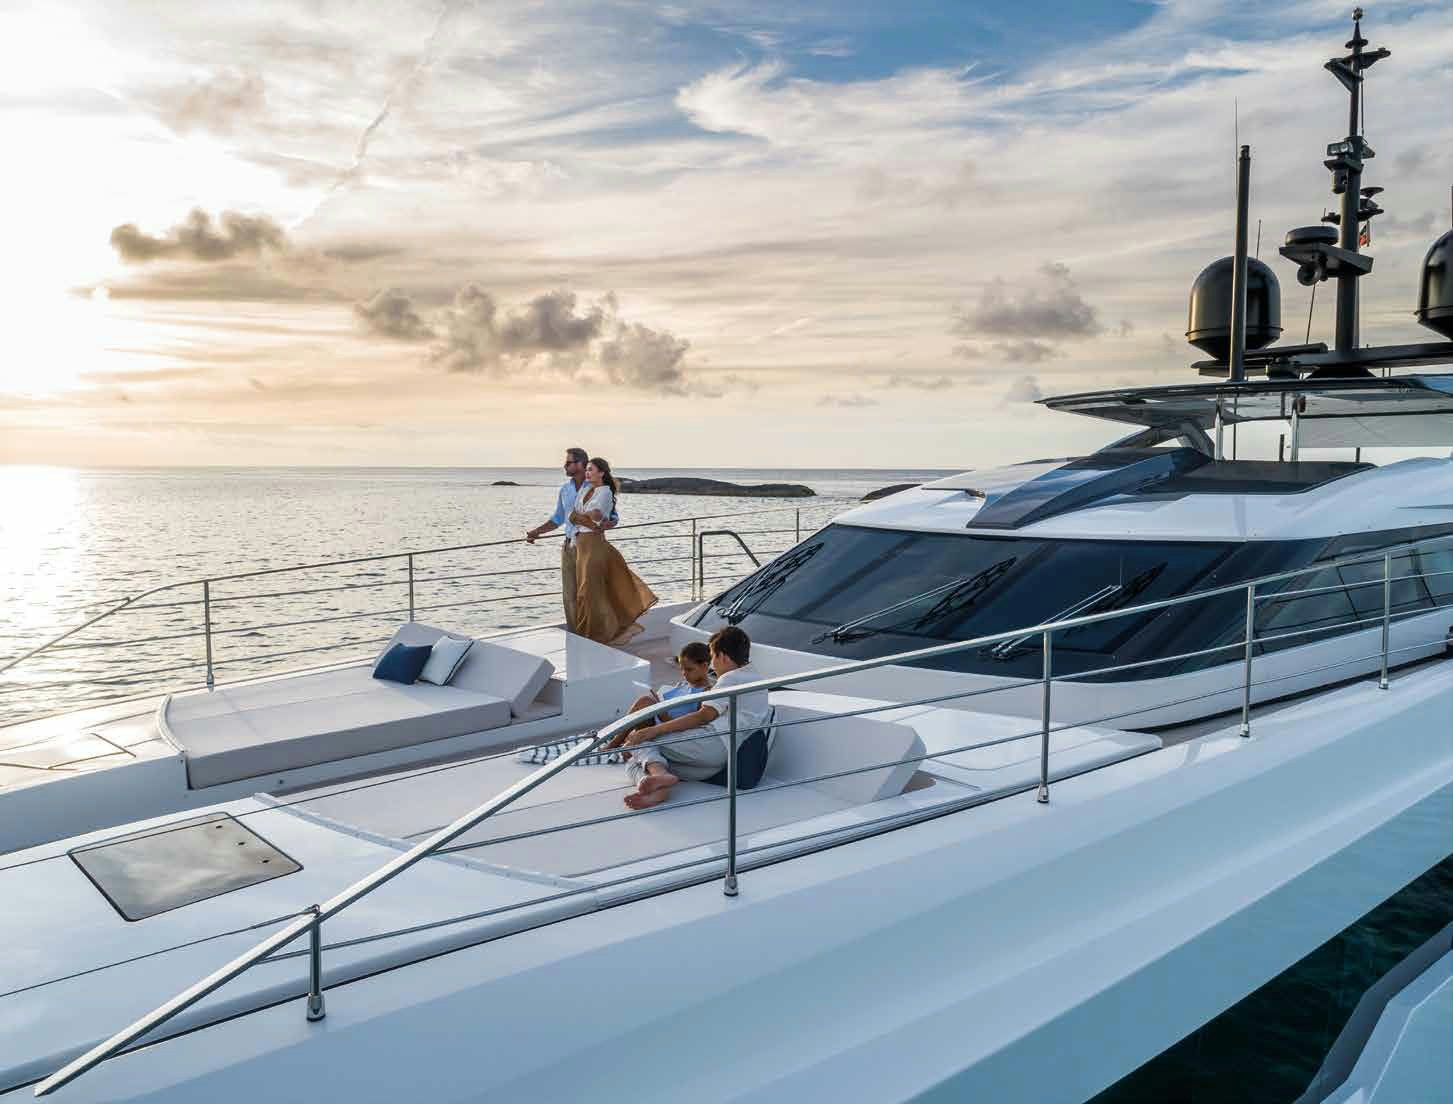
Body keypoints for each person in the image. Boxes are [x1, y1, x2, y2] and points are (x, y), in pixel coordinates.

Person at [618, 626, 770, 810]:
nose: (712, 666)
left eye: (712, 657)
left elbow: (704, 716)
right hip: (724, 756)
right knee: (636, 761)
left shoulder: (730, 678)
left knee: (639, 742)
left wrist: (652, 730)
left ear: (722, 656)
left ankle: (658, 775)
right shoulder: (758, 679)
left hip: (713, 743)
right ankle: (657, 787)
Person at [525, 447, 616, 634]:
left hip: (589, 547)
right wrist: (537, 532)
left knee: (591, 594)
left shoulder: (596, 487)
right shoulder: (565, 490)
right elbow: (558, 518)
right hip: (569, 546)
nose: (565, 466)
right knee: (570, 596)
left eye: (569, 462)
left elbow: (612, 516)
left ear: (581, 464)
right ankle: (576, 635)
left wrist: (607, 523)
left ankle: (596, 636)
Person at [569, 457, 657, 644]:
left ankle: (593, 636)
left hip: (594, 545)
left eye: (591, 469)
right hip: (581, 545)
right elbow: (572, 516)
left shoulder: (605, 492)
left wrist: (580, 517)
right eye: (587, 469)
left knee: (588, 592)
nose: (587, 473)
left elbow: (595, 517)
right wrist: (581, 518)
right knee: (584, 593)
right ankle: (590, 635)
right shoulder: (585, 490)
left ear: (601, 473)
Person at [604, 641, 714, 751]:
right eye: (682, 669)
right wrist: (658, 702)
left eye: (689, 669)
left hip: (666, 730)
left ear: (704, 667)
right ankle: (616, 740)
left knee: (645, 701)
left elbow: (692, 725)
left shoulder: (705, 693)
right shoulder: (683, 685)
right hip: (656, 721)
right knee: (645, 701)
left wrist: (661, 712)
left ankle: (613, 743)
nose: (684, 673)